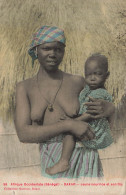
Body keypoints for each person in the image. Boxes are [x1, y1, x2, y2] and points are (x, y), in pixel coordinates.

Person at [14, 26, 115, 179]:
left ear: (63, 52)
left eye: (58, 49)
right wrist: (68, 125)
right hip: (52, 161)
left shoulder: (78, 82)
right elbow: (23, 134)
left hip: (86, 159)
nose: (52, 54)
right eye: (46, 48)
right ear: (36, 50)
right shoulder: (24, 87)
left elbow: (103, 112)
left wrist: (110, 109)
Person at [46, 53, 113, 176]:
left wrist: (72, 122)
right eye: (88, 74)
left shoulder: (100, 94)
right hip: (88, 125)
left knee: (70, 132)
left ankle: (64, 162)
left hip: (95, 131)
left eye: (97, 74)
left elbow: (89, 114)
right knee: (70, 129)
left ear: (106, 75)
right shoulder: (88, 89)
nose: (92, 78)